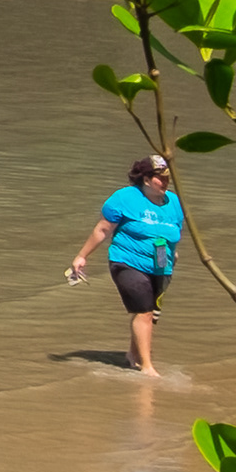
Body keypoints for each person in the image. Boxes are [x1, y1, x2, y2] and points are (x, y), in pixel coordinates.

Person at [69, 153, 185, 376]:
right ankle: (147, 367)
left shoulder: (175, 203)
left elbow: (174, 231)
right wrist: (82, 256)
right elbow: (103, 229)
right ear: (146, 179)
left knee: (151, 315)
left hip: (162, 265)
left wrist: (173, 255)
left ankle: (133, 355)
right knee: (143, 311)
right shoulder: (124, 198)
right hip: (127, 261)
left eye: (168, 177)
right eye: (160, 178)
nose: (165, 182)